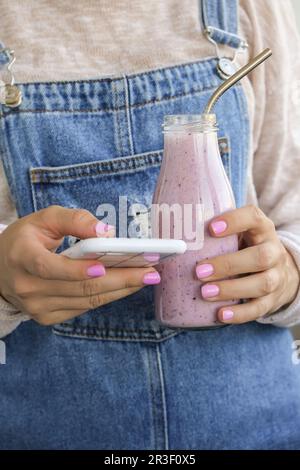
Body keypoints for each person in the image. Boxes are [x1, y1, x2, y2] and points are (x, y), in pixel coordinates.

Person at [0, 0, 300, 450]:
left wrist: (286, 276)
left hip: (256, 427)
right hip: (51, 428)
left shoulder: (251, 8)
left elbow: (291, 211)